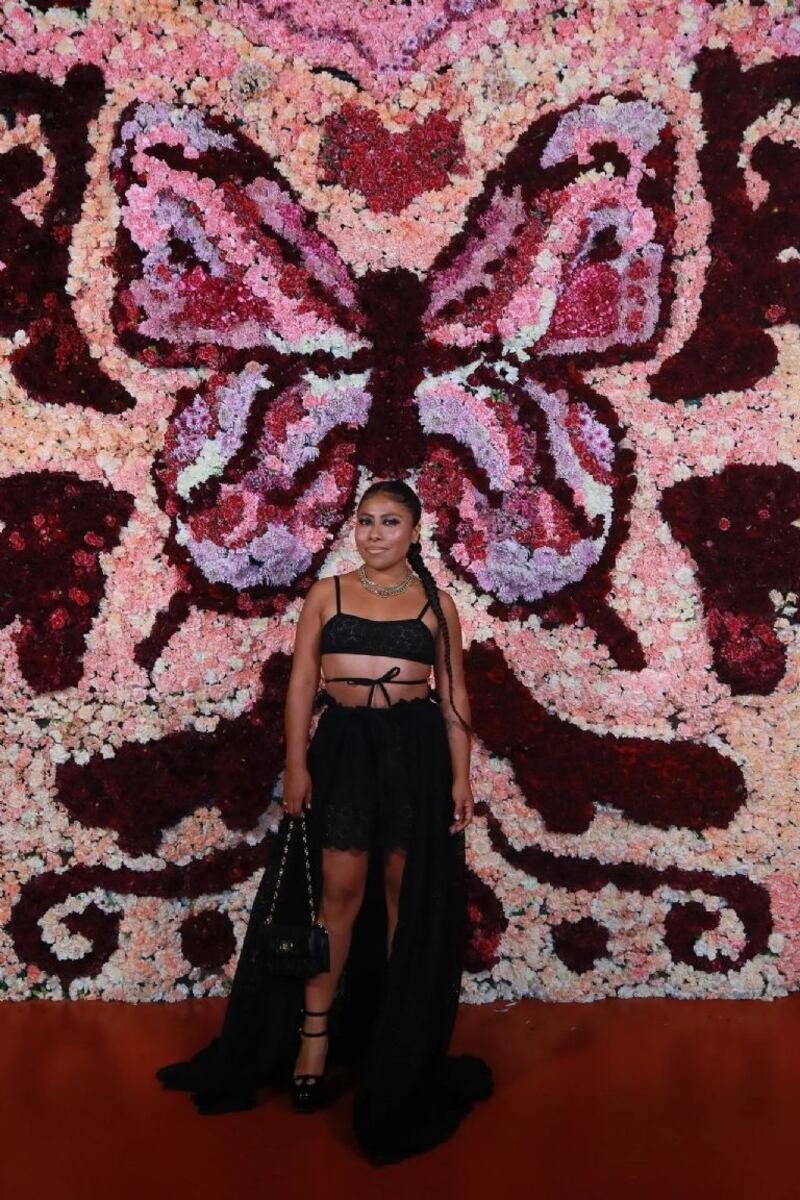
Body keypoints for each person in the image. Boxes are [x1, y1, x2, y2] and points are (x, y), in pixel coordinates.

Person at [155, 478, 493, 1164]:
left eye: (390, 522)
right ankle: (313, 1038)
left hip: (413, 755)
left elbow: (454, 695)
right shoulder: (327, 594)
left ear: (415, 532)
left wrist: (462, 777)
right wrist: (296, 766)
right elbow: (302, 684)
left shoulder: (438, 604)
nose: (375, 533)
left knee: (402, 898)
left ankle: (393, 1047)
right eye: (365, 521)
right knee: (337, 896)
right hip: (343, 750)